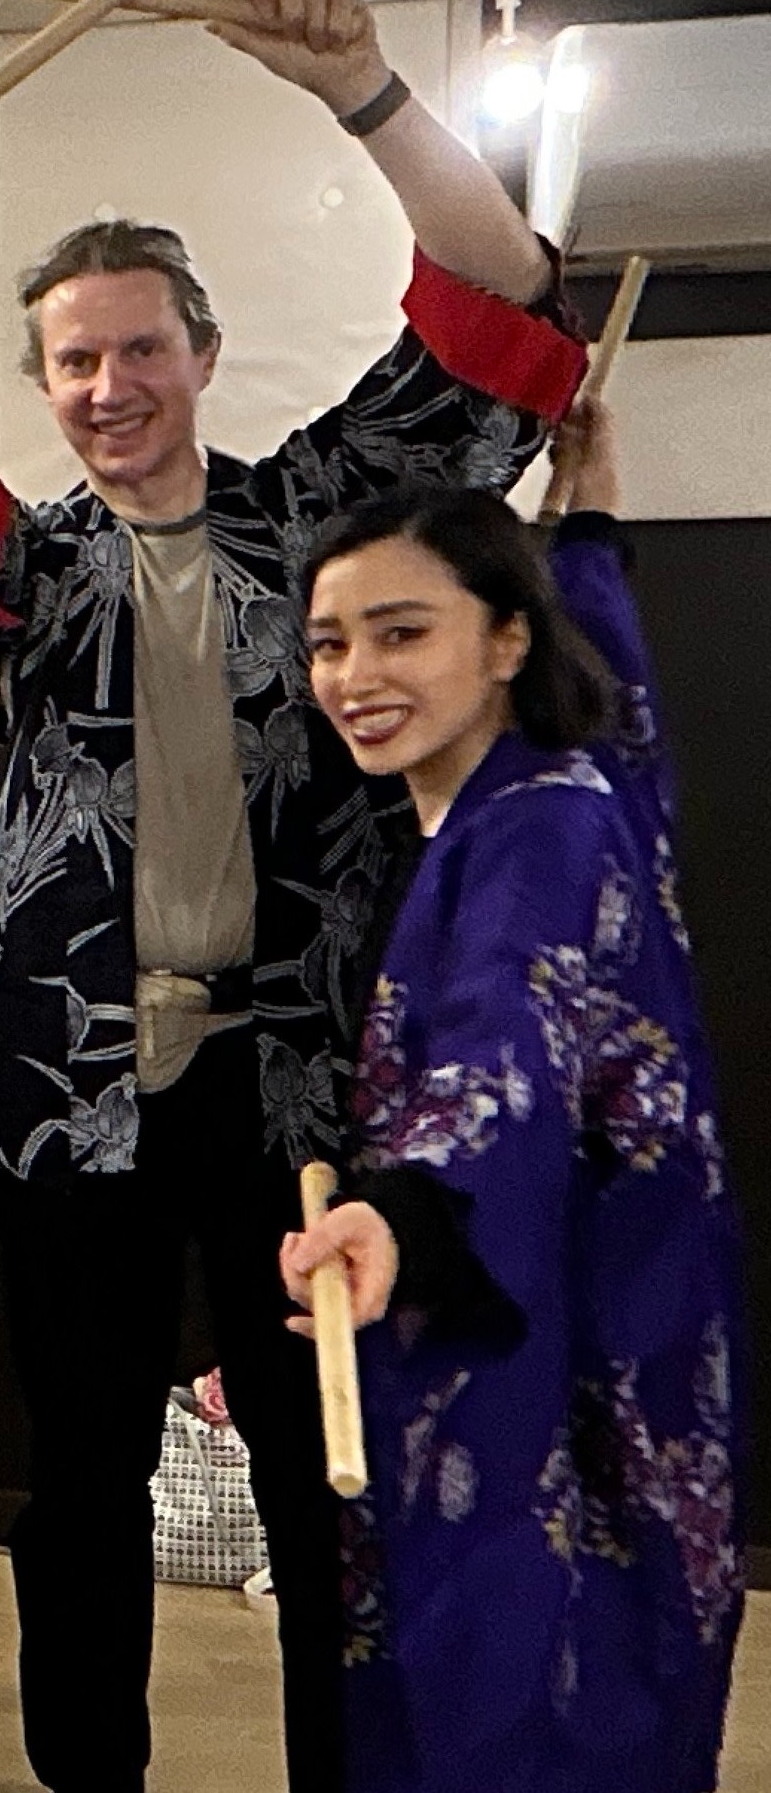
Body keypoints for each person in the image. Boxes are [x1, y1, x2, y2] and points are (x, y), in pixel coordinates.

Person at [0, 0, 591, 1793]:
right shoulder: (42, 580)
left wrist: (364, 92)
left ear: (200, 353)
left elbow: (506, 318)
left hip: (295, 1084)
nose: (109, 388)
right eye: (74, 362)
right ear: (47, 387)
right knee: (86, 1476)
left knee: (315, 1459)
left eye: (140, 350)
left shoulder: (320, 524)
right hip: (68, 1091)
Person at [284, 405, 741, 1793]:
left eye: (402, 631)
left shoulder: (532, 830)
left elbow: (506, 1033)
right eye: (329, 640)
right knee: (627, 1649)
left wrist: (402, 1214)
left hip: (553, 1326)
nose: (356, 673)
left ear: (505, 639)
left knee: (521, 1678)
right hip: (643, 1294)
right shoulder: (585, 774)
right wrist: (591, 521)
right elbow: (627, 684)